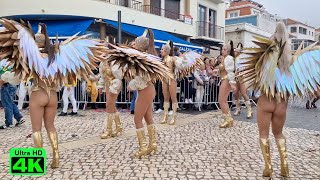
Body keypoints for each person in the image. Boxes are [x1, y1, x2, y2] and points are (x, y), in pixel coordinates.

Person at [0, 19, 104, 168]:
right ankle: (56, 156)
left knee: (36, 129)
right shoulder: (57, 57)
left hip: (38, 93)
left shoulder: (30, 57)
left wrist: (5, 77)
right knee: (50, 126)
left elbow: (16, 78)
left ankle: (38, 163)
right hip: (53, 96)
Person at [238, 21, 320, 177]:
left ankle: (268, 167)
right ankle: (284, 166)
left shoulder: (265, 58)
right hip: (281, 104)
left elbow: (259, 81)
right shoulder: (291, 63)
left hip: (266, 101)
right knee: (279, 134)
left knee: (263, 134)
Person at [105, 29, 173, 158]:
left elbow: (142, 78)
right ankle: (152, 144)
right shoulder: (142, 58)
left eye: (135, 44)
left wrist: (132, 85)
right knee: (148, 118)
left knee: (137, 119)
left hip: (145, 90)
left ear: (139, 46)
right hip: (147, 90)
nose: (133, 45)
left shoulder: (142, 60)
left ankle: (143, 147)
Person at [98, 59, 124, 139]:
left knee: (109, 105)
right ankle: (119, 127)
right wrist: (101, 86)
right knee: (111, 105)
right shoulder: (102, 62)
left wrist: (114, 87)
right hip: (107, 85)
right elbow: (102, 75)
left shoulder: (114, 61)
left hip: (115, 85)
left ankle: (108, 130)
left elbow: (119, 76)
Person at [215, 41, 237, 128]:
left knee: (221, 100)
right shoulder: (225, 59)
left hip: (226, 80)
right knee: (223, 100)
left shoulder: (229, 58)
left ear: (228, 50)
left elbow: (231, 71)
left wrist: (232, 83)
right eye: (222, 49)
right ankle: (228, 119)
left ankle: (227, 119)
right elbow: (223, 71)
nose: (222, 51)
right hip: (224, 79)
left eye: (225, 49)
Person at [233, 43, 253, 118]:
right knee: (235, 93)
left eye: (235, 51)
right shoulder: (236, 59)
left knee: (244, 93)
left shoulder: (242, 58)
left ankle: (249, 110)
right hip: (237, 77)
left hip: (242, 77)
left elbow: (244, 68)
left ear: (239, 52)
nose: (234, 52)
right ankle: (238, 109)